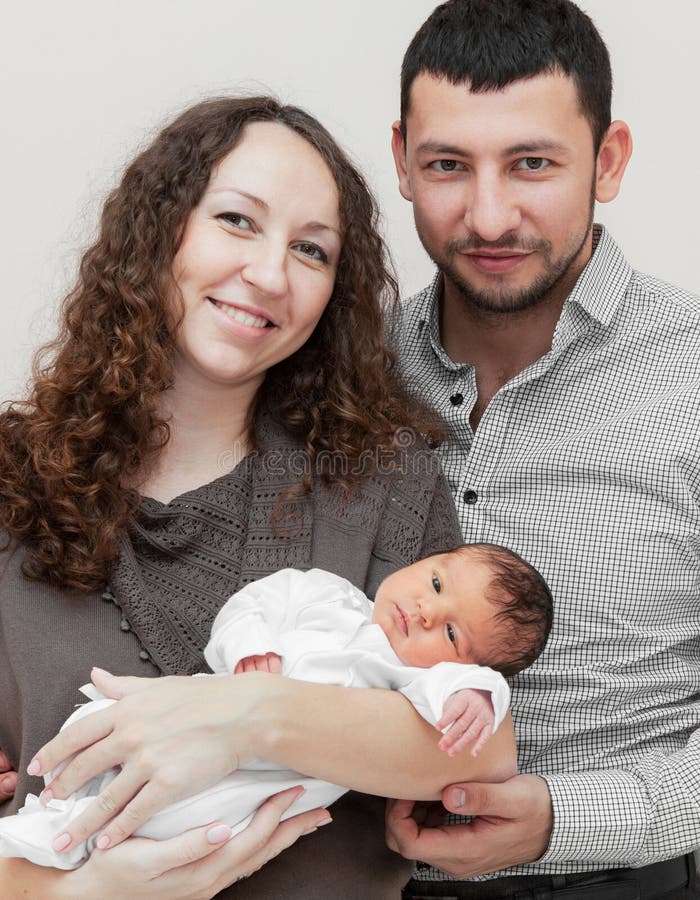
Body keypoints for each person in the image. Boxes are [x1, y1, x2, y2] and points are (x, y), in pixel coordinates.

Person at [0, 95, 517, 898]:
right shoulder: (11, 482)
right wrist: (83, 894)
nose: (271, 275)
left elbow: (481, 747)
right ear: (160, 229)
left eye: (312, 250)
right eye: (238, 221)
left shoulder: (382, 479)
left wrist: (242, 718)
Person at [385, 1, 700, 898]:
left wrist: (563, 819)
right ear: (404, 159)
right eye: (449, 165)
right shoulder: (338, 371)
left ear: (608, 161)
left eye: (532, 164)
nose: (488, 217)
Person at [0, 544, 552, 870]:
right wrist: (250, 648)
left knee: (189, 824)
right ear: (426, 560)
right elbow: (251, 606)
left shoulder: (409, 676)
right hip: (186, 721)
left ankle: (65, 844)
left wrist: (477, 696)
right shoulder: (325, 594)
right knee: (96, 726)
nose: (427, 611)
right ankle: (49, 811)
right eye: (436, 582)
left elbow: (464, 691)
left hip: (257, 785)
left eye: (453, 632)